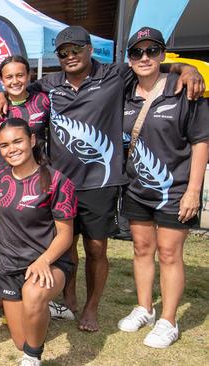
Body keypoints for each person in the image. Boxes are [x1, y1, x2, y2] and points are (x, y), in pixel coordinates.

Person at [0, 25, 204, 331]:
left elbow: (149, 64)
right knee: (65, 246)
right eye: (64, 53)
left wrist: (187, 67)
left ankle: (91, 307)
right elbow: (17, 86)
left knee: (96, 249)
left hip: (100, 183)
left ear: (90, 50)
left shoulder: (114, 74)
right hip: (59, 181)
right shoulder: (49, 84)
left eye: (77, 50)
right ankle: (67, 300)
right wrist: (0, 93)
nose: (71, 56)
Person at [117, 27, 209, 348]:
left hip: (175, 189)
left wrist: (194, 191)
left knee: (170, 253)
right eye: (137, 53)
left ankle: (169, 320)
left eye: (152, 51)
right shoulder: (125, 91)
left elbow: (200, 142)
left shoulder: (183, 88)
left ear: (162, 54)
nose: (144, 58)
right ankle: (144, 308)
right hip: (137, 188)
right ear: (129, 59)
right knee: (142, 249)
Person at [0, 118, 77, 366]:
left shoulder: (56, 181)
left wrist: (44, 260)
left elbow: (65, 234)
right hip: (9, 266)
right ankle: (44, 308)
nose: (12, 149)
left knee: (33, 296)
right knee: (21, 340)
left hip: (49, 262)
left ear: (32, 140)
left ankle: (32, 358)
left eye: (18, 141)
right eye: (5, 145)